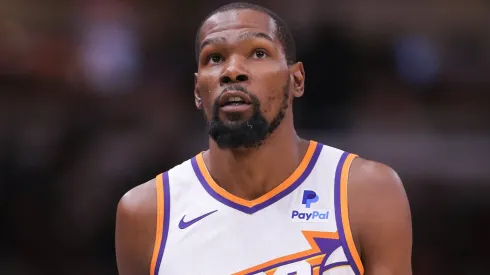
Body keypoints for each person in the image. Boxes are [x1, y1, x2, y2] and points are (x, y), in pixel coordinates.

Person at [115, 2, 412, 275]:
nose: (232, 71)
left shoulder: (367, 193)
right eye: (214, 58)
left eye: (258, 53)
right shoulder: (146, 213)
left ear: (296, 80)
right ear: (197, 90)